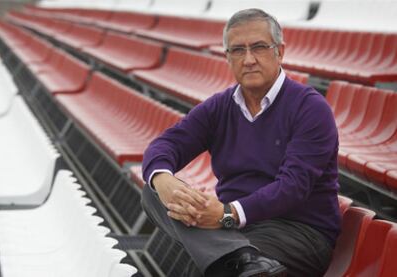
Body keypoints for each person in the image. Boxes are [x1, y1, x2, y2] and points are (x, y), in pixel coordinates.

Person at [141, 8, 340, 277]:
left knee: (207, 268)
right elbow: (166, 145)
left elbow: (293, 187)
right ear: (227, 58)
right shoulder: (220, 106)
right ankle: (239, 257)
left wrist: (227, 214)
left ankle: (237, 258)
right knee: (153, 192)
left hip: (297, 231)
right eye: (237, 50)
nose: (248, 59)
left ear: (279, 52)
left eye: (258, 47)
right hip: (235, 230)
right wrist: (164, 180)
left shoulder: (310, 108)